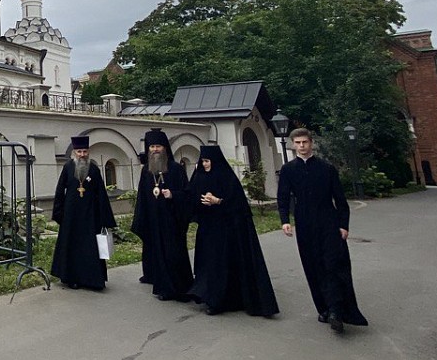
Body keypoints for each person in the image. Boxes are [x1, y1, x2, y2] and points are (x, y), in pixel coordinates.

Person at [277, 128, 368, 333]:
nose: (302, 146)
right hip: (305, 222)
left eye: (305, 142)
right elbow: (283, 197)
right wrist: (285, 221)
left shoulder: (326, 168)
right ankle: (324, 309)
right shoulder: (289, 170)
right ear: (293, 144)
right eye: (298, 143)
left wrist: (343, 225)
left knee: (333, 265)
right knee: (313, 266)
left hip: (328, 221)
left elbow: (340, 200)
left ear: (311, 143)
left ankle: (337, 310)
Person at [186, 145, 279, 317]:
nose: (205, 165)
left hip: (226, 230)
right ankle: (210, 297)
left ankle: (223, 300)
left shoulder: (226, 177)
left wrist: (218, 201)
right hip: (207, 229)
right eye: (203, 161)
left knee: (223, 265)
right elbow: (190, 199)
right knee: (209, 264)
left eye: (207, 161)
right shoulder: (199, 178)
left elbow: (238, 204)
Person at [130, 128, 193, 300]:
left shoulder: (175, 169)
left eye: (158, 146)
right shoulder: (146, 171)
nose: (155, 150)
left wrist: (173, 195)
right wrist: (141, 218)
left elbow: (187, 194)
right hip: (153, 219)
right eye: (152, 147)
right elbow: (142, 196)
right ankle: (164, 289)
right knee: (157, 253)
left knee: (174, 254)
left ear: (165, 148)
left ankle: (180, 288)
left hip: (172, 220)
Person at [51, 134, 117, 290]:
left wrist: (104, 218)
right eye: (79, 151)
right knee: (72, 246)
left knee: (90, 248)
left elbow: (101, 193)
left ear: (88, 152)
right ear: (74, 152)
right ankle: (72, 278)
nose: (82, 154)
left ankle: (92, 279)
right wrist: (59, 213)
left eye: (85, 151)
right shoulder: (68, 167)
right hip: (71, 216)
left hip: (90, 216)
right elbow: (60, 190)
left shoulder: (93, 169)